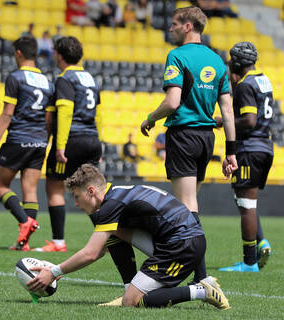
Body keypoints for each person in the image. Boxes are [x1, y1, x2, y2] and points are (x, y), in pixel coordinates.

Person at [27, 164, 230, 310]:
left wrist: (53, 272)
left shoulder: (110, 206)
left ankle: (202, 290)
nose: (76, 204)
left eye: (77, 197)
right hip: (183, 240)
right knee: (113, 232)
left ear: (91, 191)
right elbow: (101, 250)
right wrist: (62, 268)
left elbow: (91, 253)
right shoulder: (116, 193)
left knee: (131, 301)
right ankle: (130, 287)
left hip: (181, 246)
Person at [140, 6, 237, 284]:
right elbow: (228, 112)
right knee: (190, 204)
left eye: (173, 24)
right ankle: (197, 274)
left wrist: (150, 119)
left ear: (187, 26)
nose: (169, 28)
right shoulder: (218, 61)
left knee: (187, 207)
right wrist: (231, 152)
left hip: (183, 135)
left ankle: (202, 278)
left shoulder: (178, 56)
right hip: (207, 139)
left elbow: (172, 102)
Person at [32, 36, 102, 252]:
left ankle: (58, 242)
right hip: (92, 139)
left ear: (59, 55)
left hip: (72, 139)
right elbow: (98, 114)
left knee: (54, 187)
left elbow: (64, 112)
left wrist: (59, 146)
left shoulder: (65, 79)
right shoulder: (90, 78)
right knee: (93, 192)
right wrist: (99, 142)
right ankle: (110, 239)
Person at [0, 36, 54, 251]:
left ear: (18, 53)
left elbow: (8, 113)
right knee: (30, 189)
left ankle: (24, 222)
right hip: (40, 140)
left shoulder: (15, 78)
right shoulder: (48, 82)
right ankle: (24, 242)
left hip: (19, 138)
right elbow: (49, 118)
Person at [218, 42, 273, 272]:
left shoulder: (245, 86)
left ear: (238, 63)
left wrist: (224, 122)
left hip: (250, 148)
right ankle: (261, 242)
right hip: (265, 146)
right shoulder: (264, 80)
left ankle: (249, 261)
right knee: (244, 200)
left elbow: (249, 121)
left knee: (246, 204)